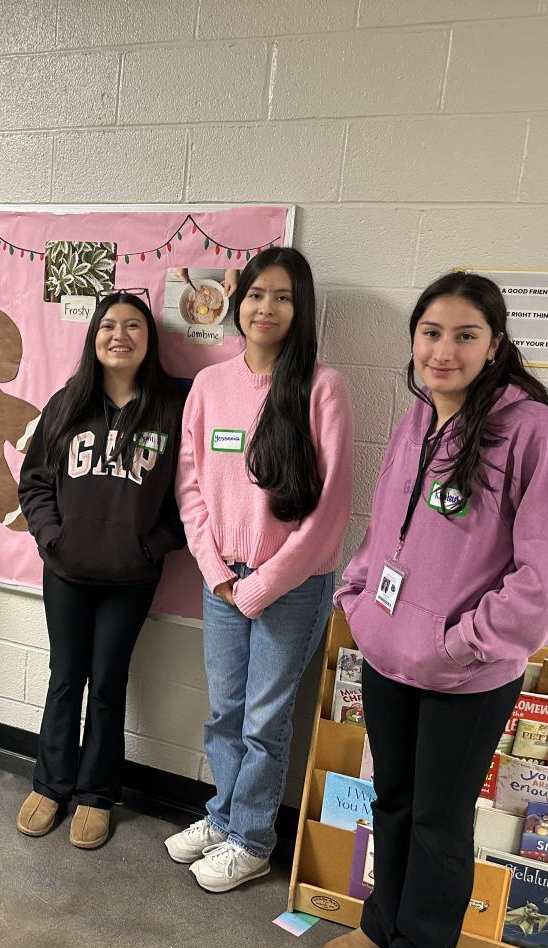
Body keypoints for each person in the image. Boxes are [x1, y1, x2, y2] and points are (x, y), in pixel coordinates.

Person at [319, 272, 548, 948]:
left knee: (439, 824)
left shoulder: (530, 431)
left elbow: (546, 582)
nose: (443, 351)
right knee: (392, 802)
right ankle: (381, 926)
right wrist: (358, 596)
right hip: (388, 657)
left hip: (465, 675)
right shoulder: (421, 413)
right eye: (431, 333)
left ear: (495, 343)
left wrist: (460, 643)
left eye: (465, 336)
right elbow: (389, 526)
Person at [164, 246, 354, 891]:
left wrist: (265, 582)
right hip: (222, 579)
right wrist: (217, 571)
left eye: (282, 297)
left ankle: (252, 839)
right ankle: (222, 818)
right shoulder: (210, 385)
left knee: (264, 722)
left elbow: (331, 508)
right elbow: (190, 485)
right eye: (254, 294)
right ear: (236, 303)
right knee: (225, 711)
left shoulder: (321, 387)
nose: (265, 308)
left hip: (293, 586)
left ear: (301, 309)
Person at [15, 291, 186, 850]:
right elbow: (35, 482)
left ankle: (96, 795)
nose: (120, 335)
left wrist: (152, 545)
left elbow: (193, 496)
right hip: (66, 570)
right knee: (65, 679)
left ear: (149, 340)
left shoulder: (173, 408)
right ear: (93, 337)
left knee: (109, 684)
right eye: (109, 325)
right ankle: (50, 785)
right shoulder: (68, 402)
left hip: (131, 578)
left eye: (134, 325)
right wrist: (52, 537)